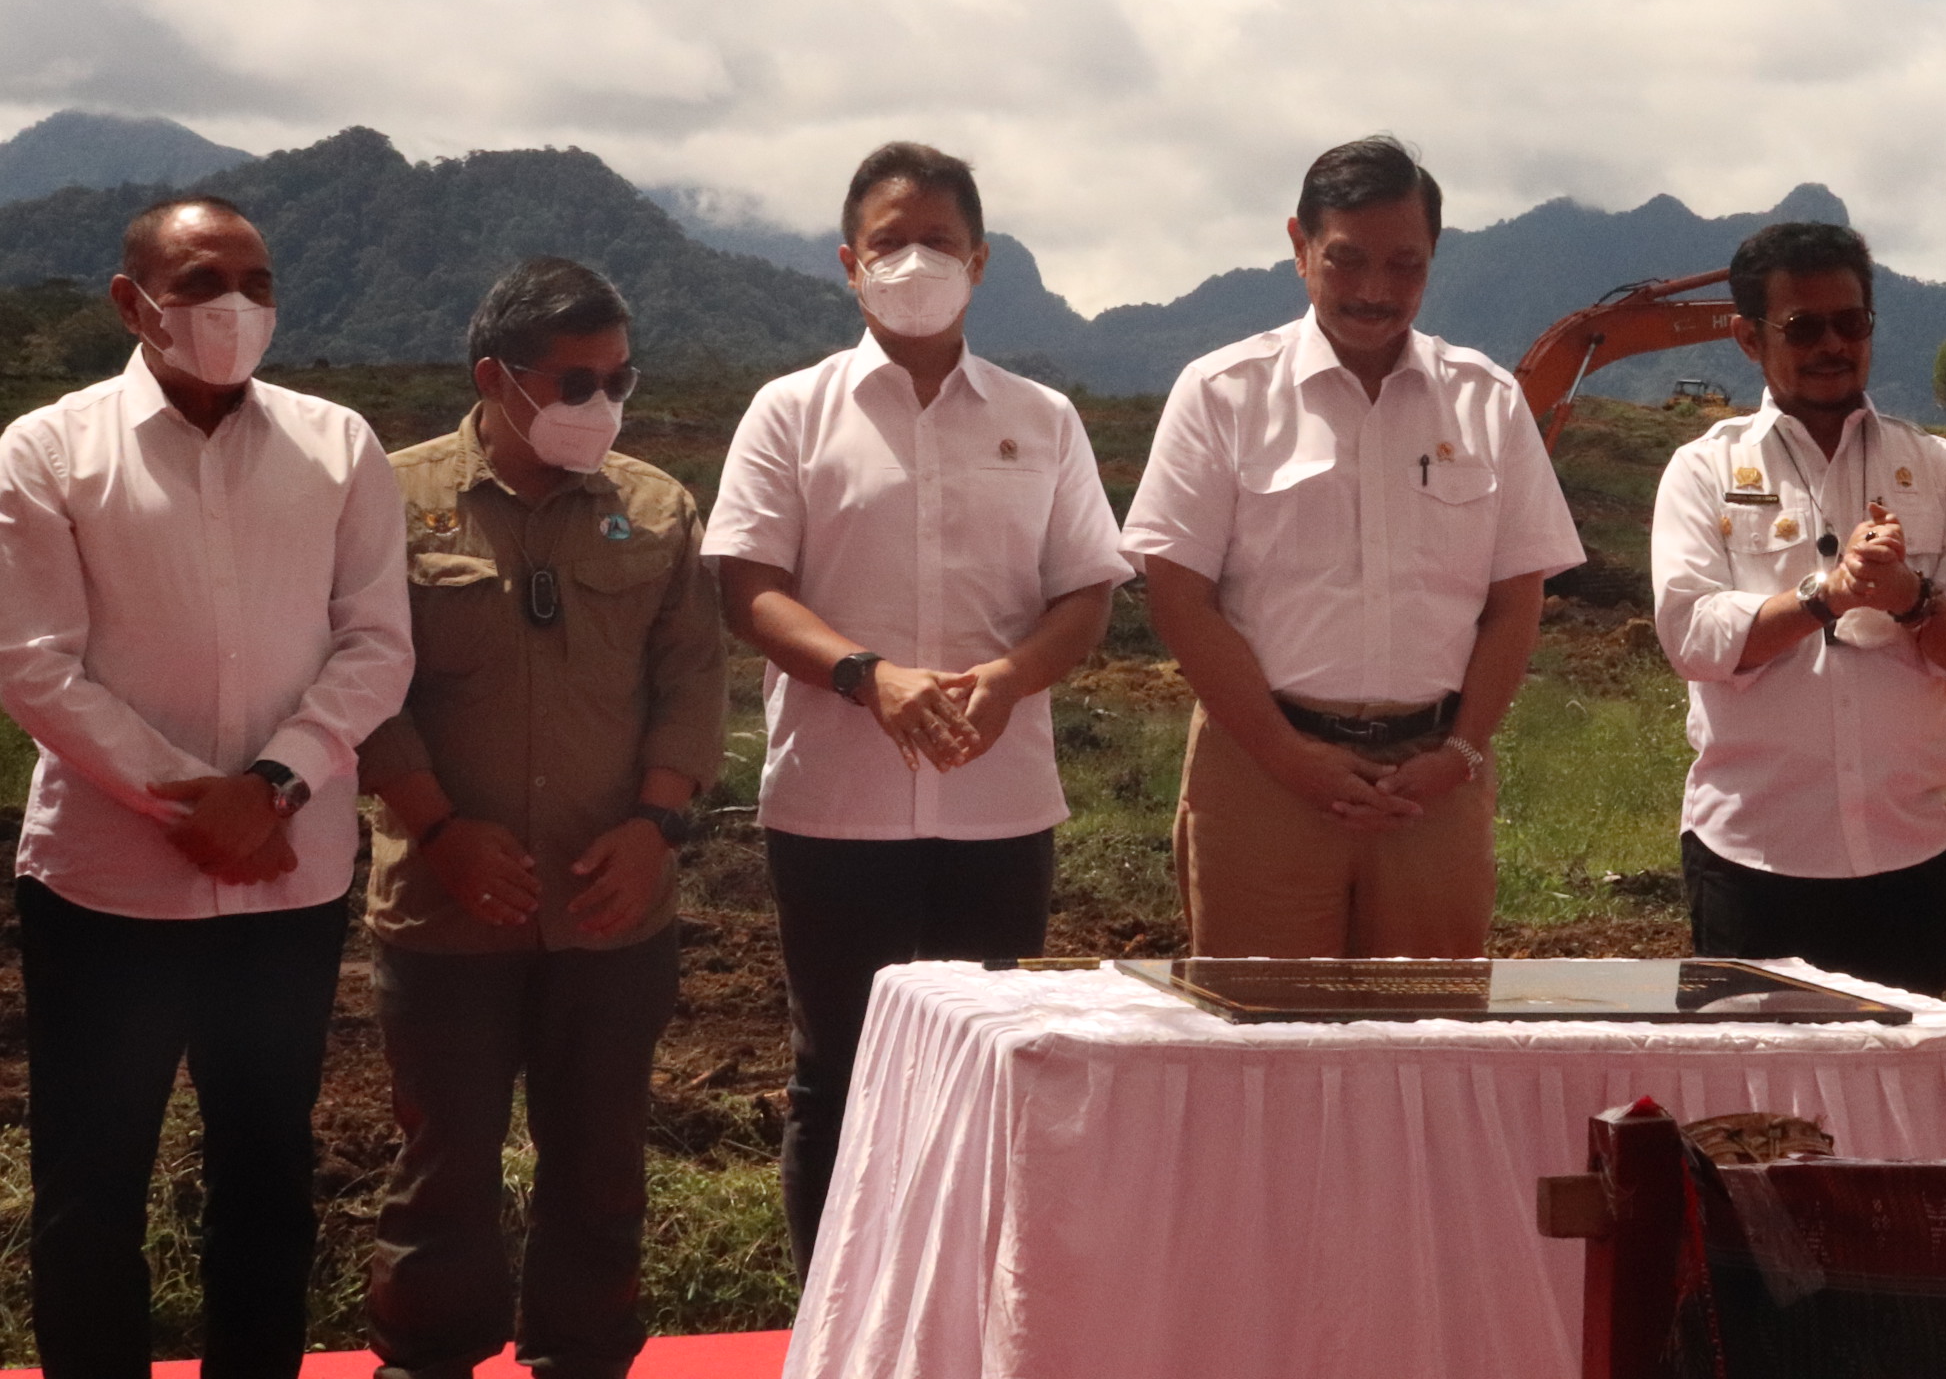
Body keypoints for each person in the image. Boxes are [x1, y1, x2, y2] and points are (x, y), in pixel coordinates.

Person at [0, 195, 414, 1377]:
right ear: (135, 302)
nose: (235, 306)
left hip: (284, 890)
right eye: (200, 282)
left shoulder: (339, 446)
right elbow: (33, 663)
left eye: (258, 282)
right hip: (106, 890)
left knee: (268, 1180)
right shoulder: (48, 449)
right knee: (90, 1186)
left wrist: (274, 784)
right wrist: (199, 801)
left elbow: (378, 643)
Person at [706, 141, 1132, 1271]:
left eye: (937, 240)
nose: (914, 261)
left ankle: (965, 1322)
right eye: (889, 241)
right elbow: (747, 587)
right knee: (835, 1070)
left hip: (1000, 810)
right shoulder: (790, 411)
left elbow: (1086, 594)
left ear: (981, 260)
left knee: (994, 1068)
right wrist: (867, 676)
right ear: (849, 263)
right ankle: (837, 1323)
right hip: (832, 807)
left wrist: (1007, 679)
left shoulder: (1042, 419)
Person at [358, 258, 726, 1379]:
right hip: (442, 908)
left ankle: (583, 1356)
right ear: (494, 376)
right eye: (575, 382)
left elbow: (692, 684)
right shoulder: (386, 497)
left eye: (618, 379)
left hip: (613, 912)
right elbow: (360, 679)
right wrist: (440, 829)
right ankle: (424, 1358)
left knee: (603, 1165)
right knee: (443, 1167)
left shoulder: (655, 508)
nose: (602, 405)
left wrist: (656, 825)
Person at [1123, 135, 1584, 959]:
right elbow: (1178, 596)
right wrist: (1285, 753)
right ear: (1299, 246)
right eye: (1347, 260)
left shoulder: (1487, 402)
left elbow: (1517, 599)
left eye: (1405, 265)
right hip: (1262, 773)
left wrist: (1462, 751)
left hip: (1434, 784)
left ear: (1435, 256)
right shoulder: (1221, 394)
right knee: (1261, 1043)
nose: (1375, 291)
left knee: (1427, 1043)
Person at [1646, 221, 1946, 995]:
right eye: (1802, 327)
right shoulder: (1703, 470)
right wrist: (1829, 595)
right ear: (1749, 340)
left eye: (1851, 322)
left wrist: (1913, 601)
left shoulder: (1938, 468)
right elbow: (1693, 637)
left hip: (1907, 857)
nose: (1832, 344)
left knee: (1897, 1104)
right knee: (1752, 1108)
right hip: (1751, 859)